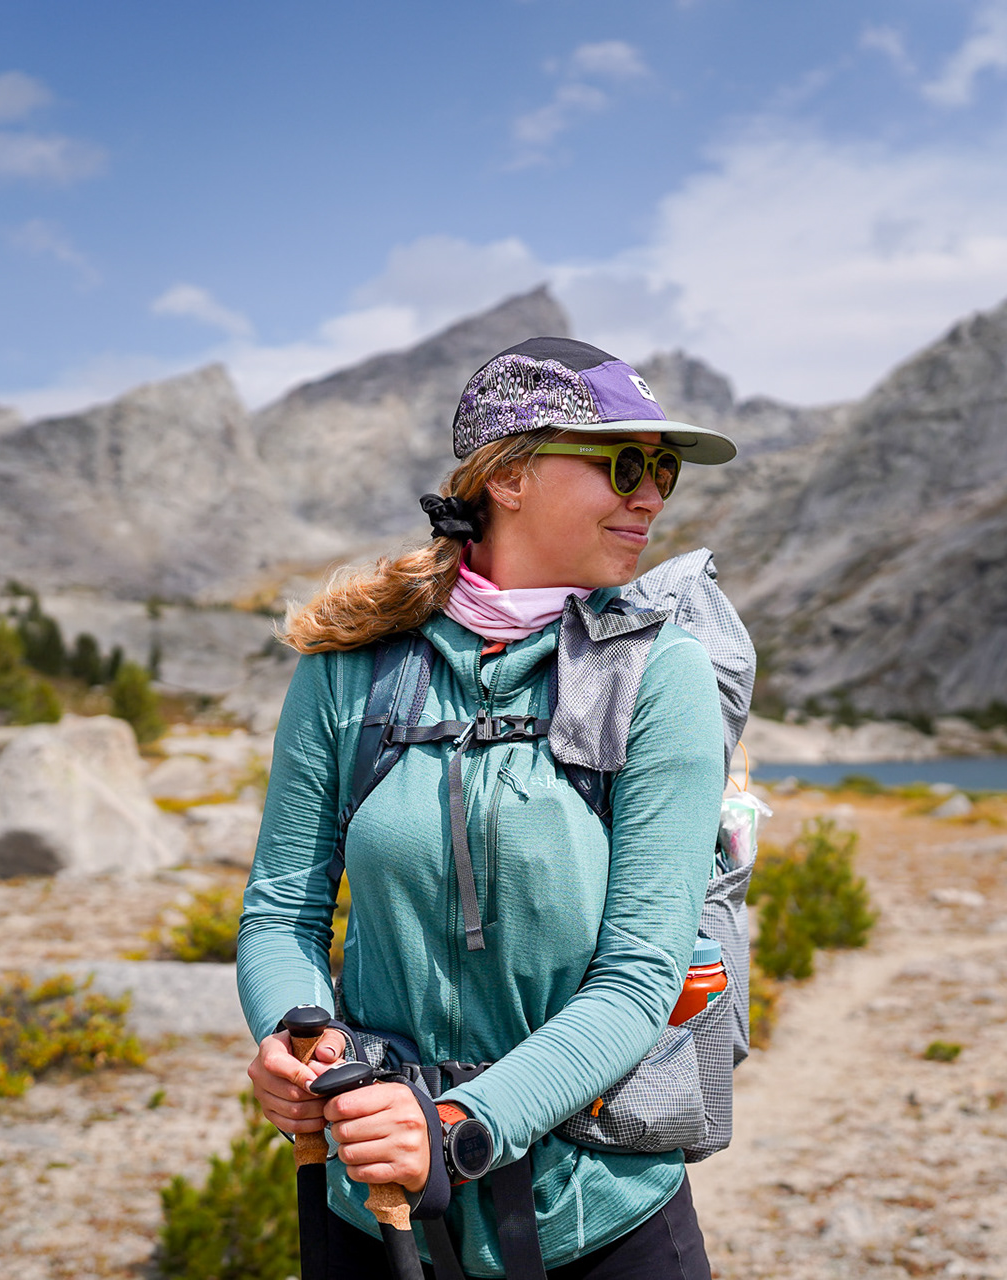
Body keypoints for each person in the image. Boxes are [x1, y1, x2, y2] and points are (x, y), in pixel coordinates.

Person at [238, 337, 738, 1279]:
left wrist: (457, 1127)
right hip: (377, 1206)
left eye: (664, 471)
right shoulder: (347, 670)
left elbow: (640, 976)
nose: (652, 497)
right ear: (508, 476)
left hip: (601, 1217)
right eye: (623, 465)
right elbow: (281, 913)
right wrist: (295, 1037)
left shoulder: (659, 672)